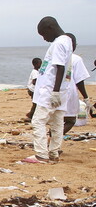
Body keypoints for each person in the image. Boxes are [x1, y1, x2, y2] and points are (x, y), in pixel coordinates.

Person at [22, 16, 73, 163]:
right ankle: (54, 152)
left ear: (50, 28)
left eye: (44, 34)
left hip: (51, 91)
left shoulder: (58, 43)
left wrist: (55, 91)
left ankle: (41, 155)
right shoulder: (67, 40)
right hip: (61, 90)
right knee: (57, 122)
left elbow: (59, 68)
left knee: (38, 121)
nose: (44, 38)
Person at [62, 33, 91, 135]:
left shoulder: (54, 56)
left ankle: (50, 142)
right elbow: (79, 80)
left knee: (57, 120)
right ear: (72, 44)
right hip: (69, 92)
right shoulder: (76, 59)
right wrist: (86, 98)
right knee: (70, 120)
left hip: (52, 92)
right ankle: (51, 141)